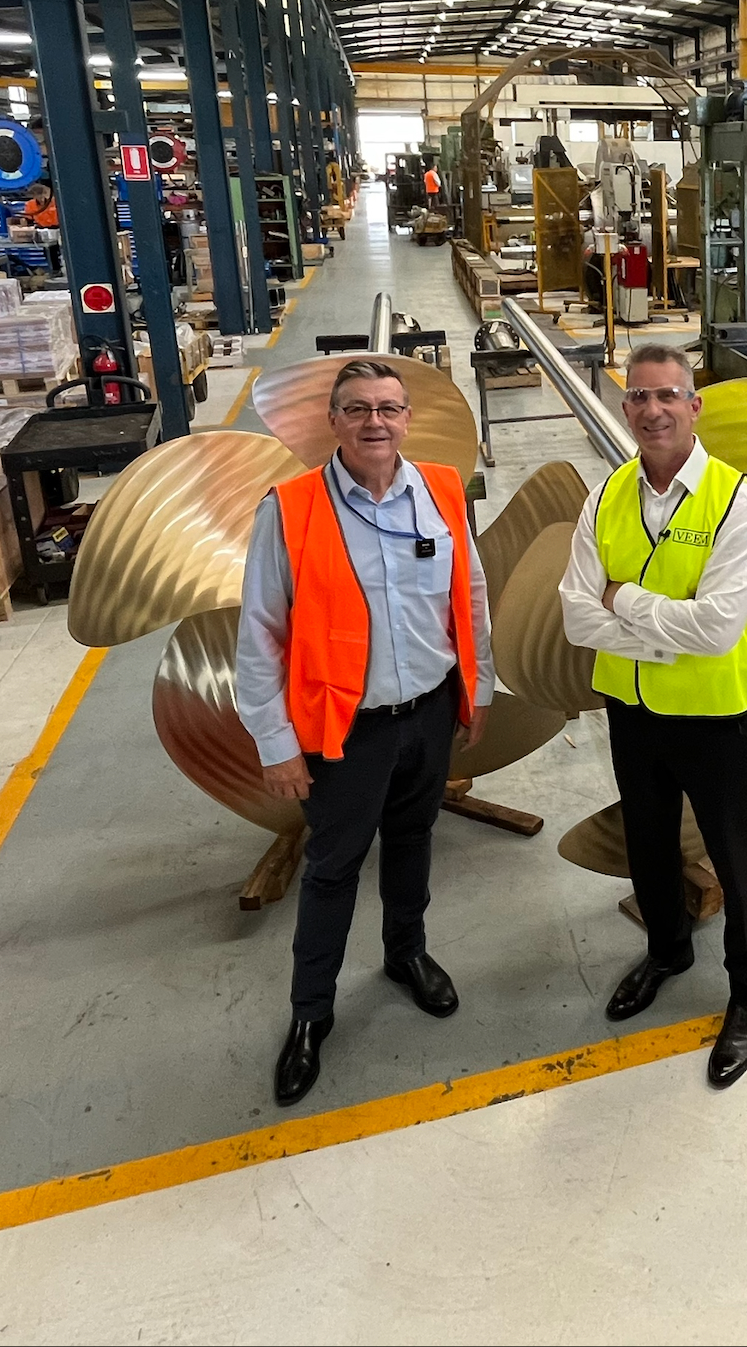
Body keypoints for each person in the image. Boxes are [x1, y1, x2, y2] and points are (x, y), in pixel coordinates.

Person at [235, 359, 493, 1108]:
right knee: (333, 868)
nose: (374, 421)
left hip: (430, 711)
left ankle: (406, 955)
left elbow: (471, 592)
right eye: (357, 409)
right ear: (334, 422)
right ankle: (311, 1013)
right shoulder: (289, 509)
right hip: (344, 729)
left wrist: (477, 688)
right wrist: (276, 743)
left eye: (387, 407)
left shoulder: (441, 490)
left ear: (407, 418)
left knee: (413, 841)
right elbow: (260, 635)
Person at [559, 344, 747, 1089]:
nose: (653, 410)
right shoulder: (606, 496)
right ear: (626, 408)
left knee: (736, 856)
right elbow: (574, 616)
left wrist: (620, 598)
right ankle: (667, 951)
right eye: (639, 397)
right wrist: (658, 626)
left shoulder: (736, 501)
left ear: (694, 406)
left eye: (668, 395)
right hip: (633, 710)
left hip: (715, 716)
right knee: (647, 845)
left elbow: (717, 629)